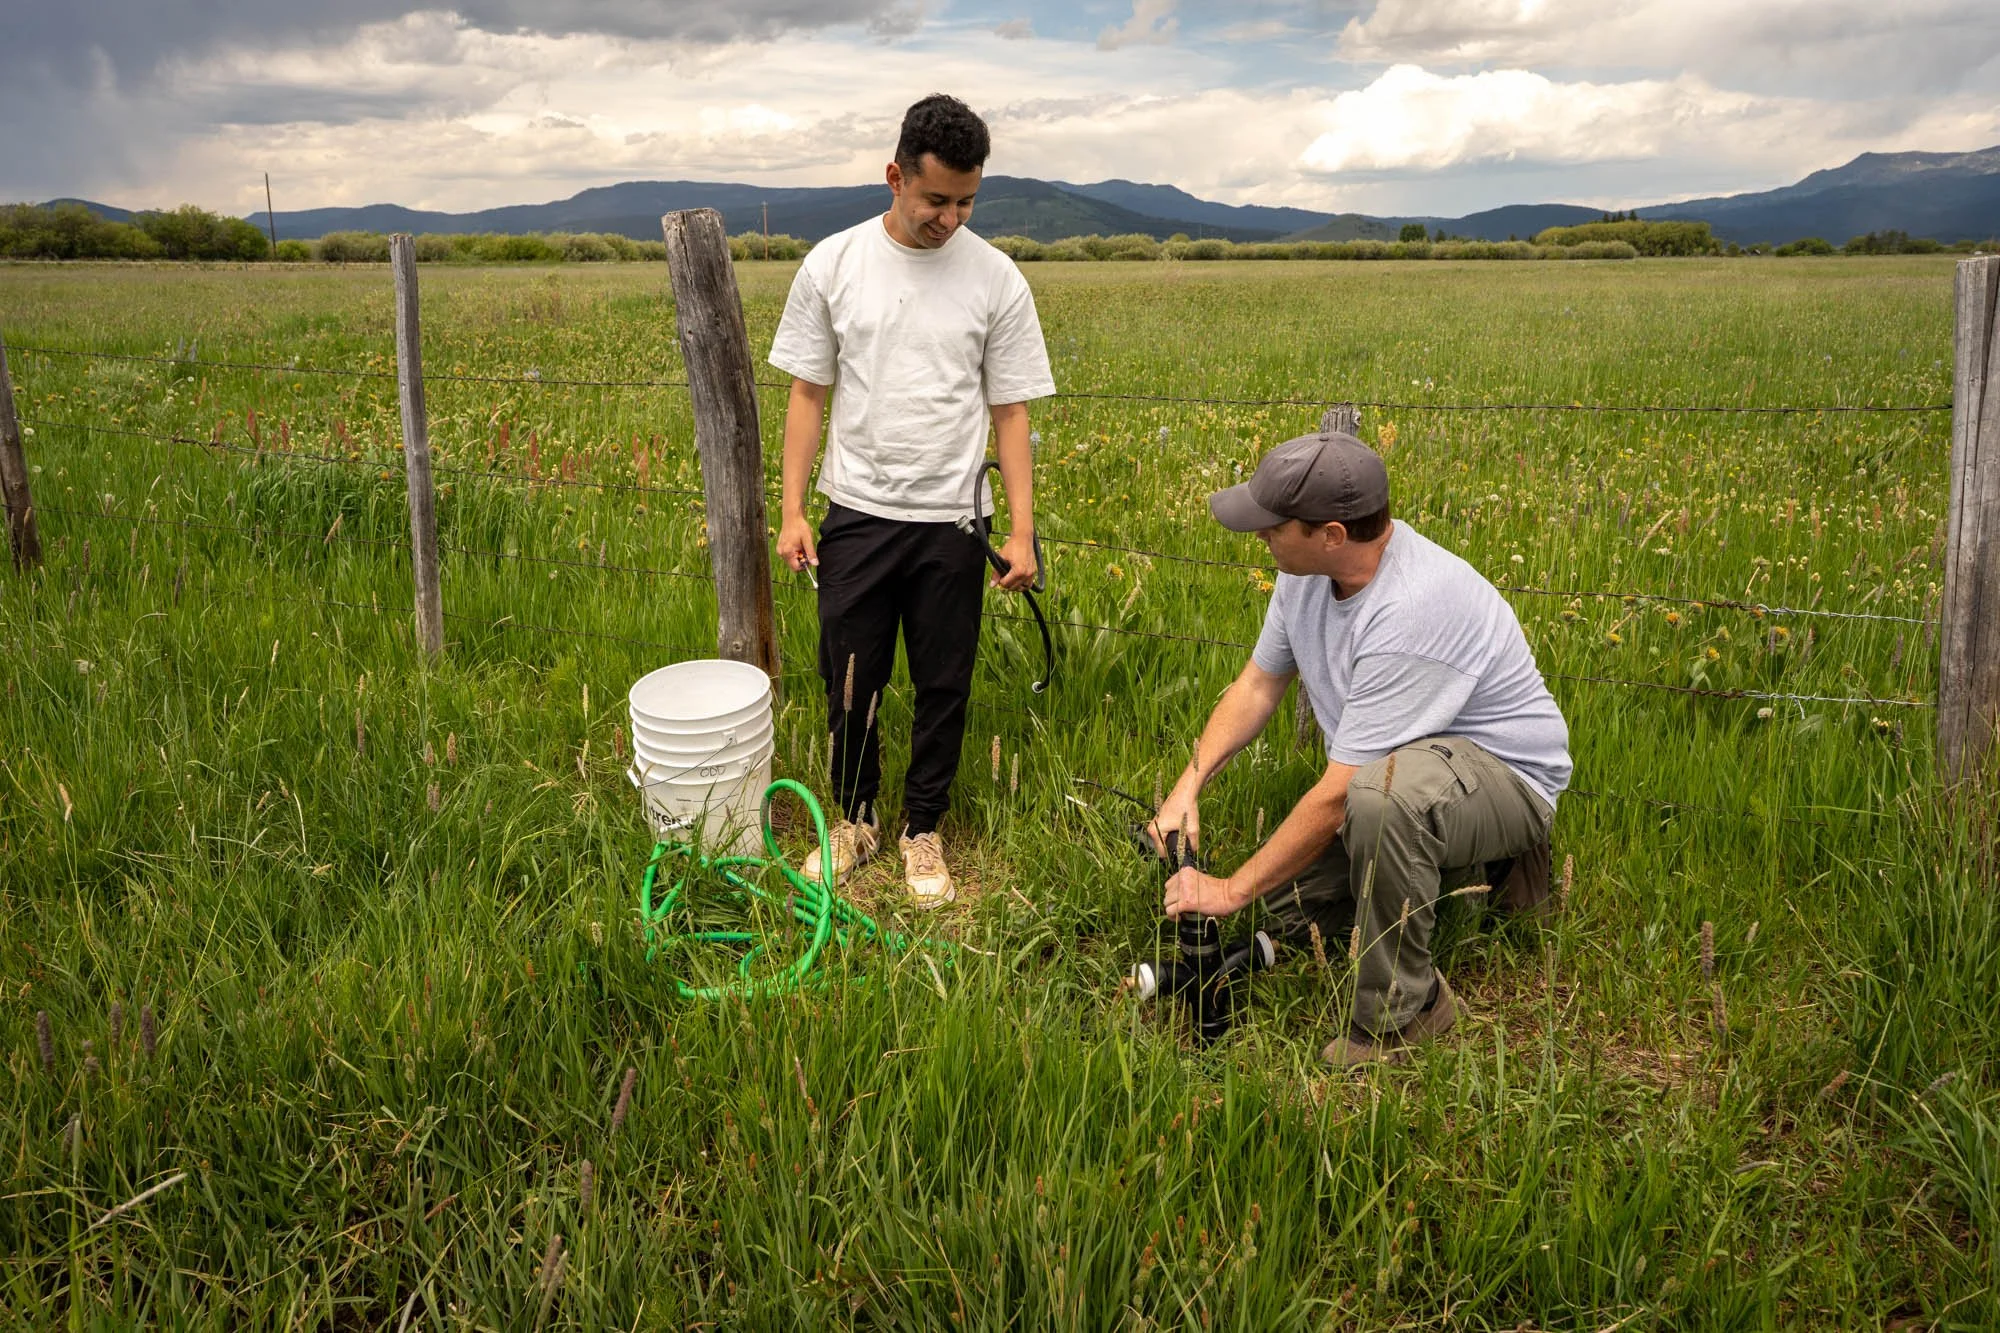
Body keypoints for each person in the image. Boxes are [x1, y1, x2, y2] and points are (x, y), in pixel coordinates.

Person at [1148, 421, 1571, 1065]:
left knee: (1380, 800)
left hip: (1507, 778)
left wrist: (1229, 888)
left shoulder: (1411, 607)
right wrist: (1189, 785)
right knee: (1289, 916)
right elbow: (1258, 687)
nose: (1259, 534)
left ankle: (1406, 1015)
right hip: (1422, 760)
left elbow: (1342, 792)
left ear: (1332, 535)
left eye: (1273, 524)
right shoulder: (1304, 574)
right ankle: (1480, 873)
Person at [769, 93, 1055, 907]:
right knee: (851, 673)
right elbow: (806, 396)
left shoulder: (996, 279)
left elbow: (1011, 412)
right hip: (856, 509)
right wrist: (793, 510)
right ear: (895, 176)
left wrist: (1023, 532)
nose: (951, 218)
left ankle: (920, 827)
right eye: (936, 199)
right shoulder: (834, 264)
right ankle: (856, 820)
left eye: (967, 201)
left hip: (954, 519)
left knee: (944, 680)